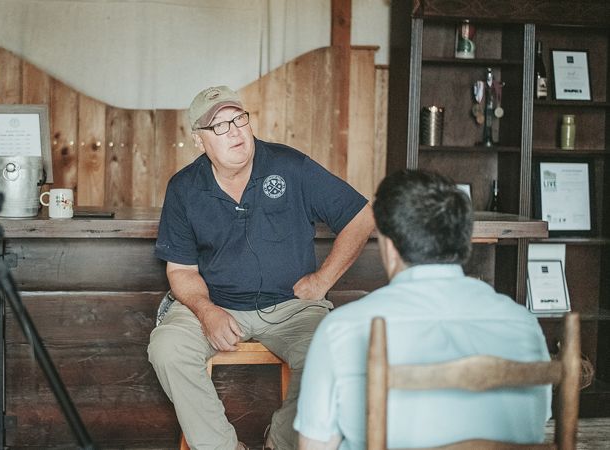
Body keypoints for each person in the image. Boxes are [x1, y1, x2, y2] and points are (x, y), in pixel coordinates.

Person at [148, 85, 375, 450]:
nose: (235, 130)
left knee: (330, 350)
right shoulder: (184, 188)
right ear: (198, 140)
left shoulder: (291, 166)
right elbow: (182, 272)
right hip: (216, 304)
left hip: (291, 307)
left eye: (238, 118)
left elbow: (361, 217)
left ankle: (281, 444)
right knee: (167, 348)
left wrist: (322, 280)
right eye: (219, 126)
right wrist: (207, 313)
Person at [294, 170, 552, 449]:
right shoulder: (523, 324)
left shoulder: (342, 329)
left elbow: (315, 446)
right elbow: (536, 426)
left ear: (389, 247)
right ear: (464, 241)